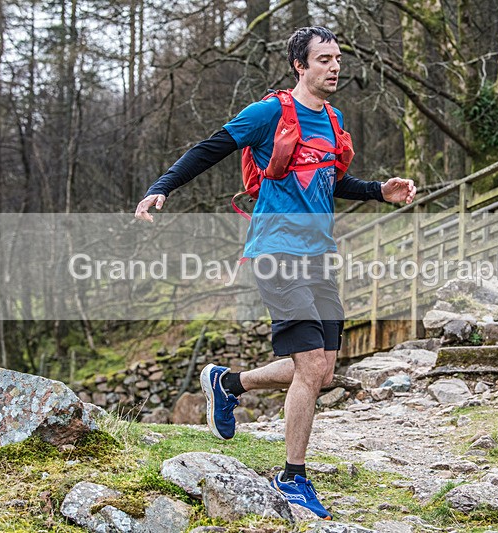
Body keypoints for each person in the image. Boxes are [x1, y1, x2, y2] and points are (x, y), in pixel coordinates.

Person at [134, 26, 416, 519]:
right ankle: (293, 476)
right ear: (299, 66)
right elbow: (210, 147)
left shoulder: (332, 119)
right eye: (324, 59)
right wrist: (163, 186)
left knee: (323, 371)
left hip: (319, 255)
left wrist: (377, 191)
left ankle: (228, 384)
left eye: (337, 58)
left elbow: (330, 180)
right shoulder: (270, 113)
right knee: (310, 367)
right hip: (275, 253)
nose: (334, 67)